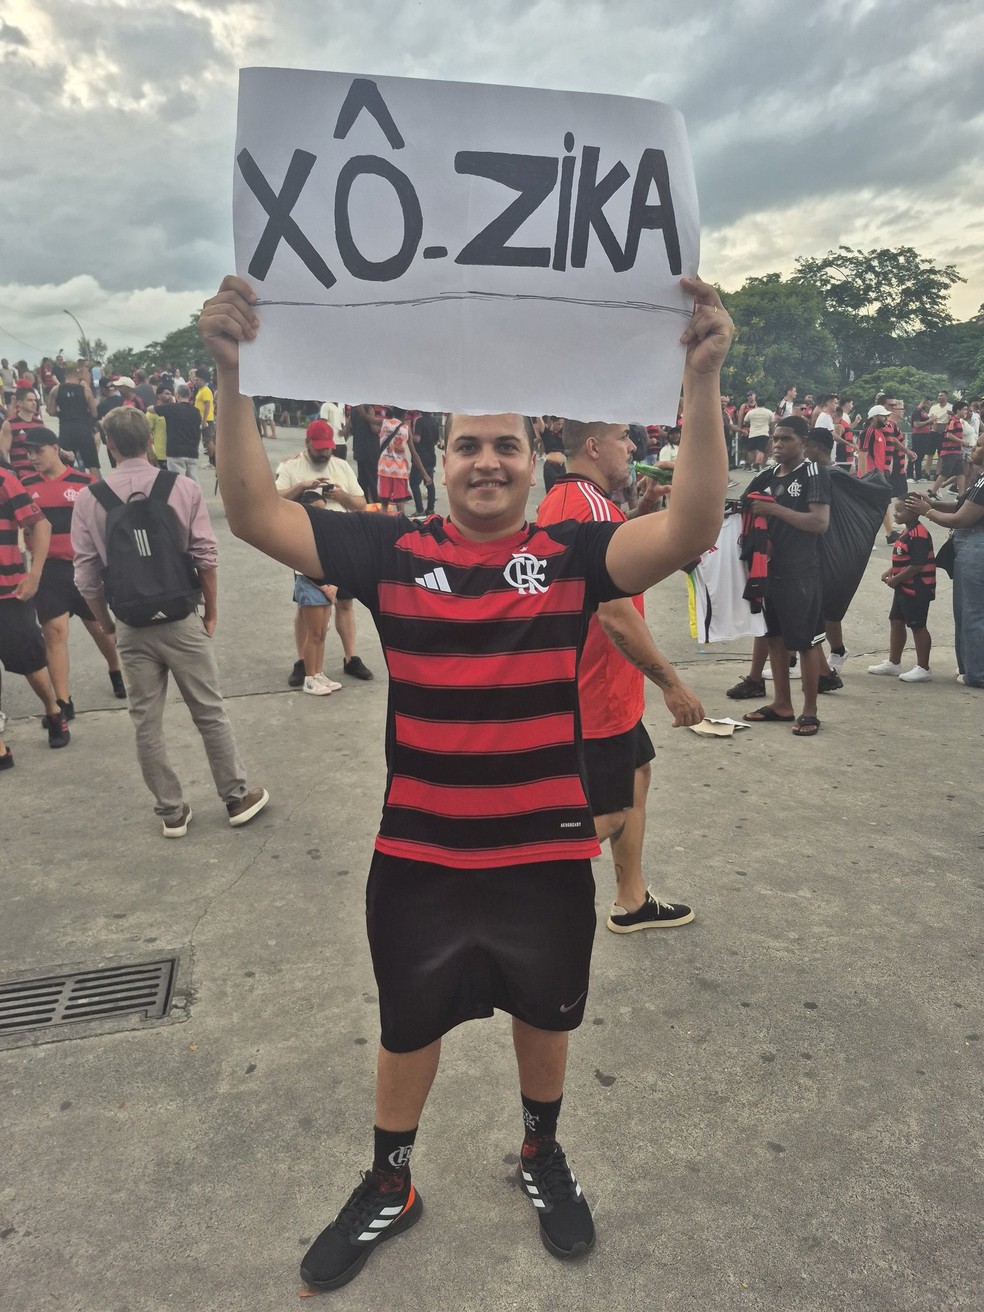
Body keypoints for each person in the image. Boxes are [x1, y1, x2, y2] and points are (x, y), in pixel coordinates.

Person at [198, 271, 733, 1291]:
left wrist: (700, 381)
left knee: (549, 1013)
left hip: (541, 852)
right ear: (439, 462)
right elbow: (253, 512)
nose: (487, 461)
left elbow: (692, 528)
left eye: (506, 445)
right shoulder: (390, 550)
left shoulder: (573, 555)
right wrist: (231, 374)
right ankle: (391, 1180)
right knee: (409, 1022)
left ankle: (542, 1151)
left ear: (534, 463)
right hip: (419, 855)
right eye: (467, 444)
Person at [71, 406, 269, 836]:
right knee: (209, 711)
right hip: (181, 618)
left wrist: (105, 622)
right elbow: (204, 555)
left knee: (146, 720)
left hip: (131, 625)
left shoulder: (90, 499)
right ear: (150, 441)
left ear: (110, 445)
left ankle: (172, 811)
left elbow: (86, 575)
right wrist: (210, 611)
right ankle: (235, 798)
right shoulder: (181, 488)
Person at [538, 418, 700, 932]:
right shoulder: (586, 504)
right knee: (604, 813)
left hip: (605, 686)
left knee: (636, 777)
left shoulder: (570, 498)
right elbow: (613, 612)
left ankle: (632, 901)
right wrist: (671, 683)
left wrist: (641, 513)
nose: (634, 447)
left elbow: (600, 553)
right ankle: (506, 883)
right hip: (599, 687)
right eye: (622, 439)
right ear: (592, 446)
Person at [20, 428, 127, 717]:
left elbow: (107, 524)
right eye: (28, 452)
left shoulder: (86, 482)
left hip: (84, 568)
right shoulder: (25, 486)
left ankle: (115, 669)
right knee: (54, 633)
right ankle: (63, 702)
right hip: (49, 571)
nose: (32, 457)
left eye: (38, 450)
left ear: (55, 448)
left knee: (101, 630)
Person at [741, 416, 830, 736]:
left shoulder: (813, 474)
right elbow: (742, 505)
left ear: (803, 442)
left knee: (804, 643)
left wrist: (774, 510)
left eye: (785, 439)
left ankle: (809, 711)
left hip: (800, 572)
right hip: (768, 571)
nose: (777, 445)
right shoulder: (765, 475)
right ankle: (782, 704)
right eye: (775, 439)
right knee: (773, 639)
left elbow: (819, 523)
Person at [275, 419, 373, 690]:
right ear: (307, 443)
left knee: (345, 603)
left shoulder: (341, 467)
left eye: (328, 448)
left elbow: (361, 504)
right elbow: (274, 499)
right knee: (307, 607)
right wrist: (303, 487)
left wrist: (341, 496)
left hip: (341, 546)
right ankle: (303, 662)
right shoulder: (290, 466)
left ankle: (350, 657)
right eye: (318, 449)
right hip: (303, 546)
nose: (324, 453)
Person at [0, 460, 70, 749]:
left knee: (30, 661)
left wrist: (35, 575)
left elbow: (40, 524)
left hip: (8, 592)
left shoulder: (4, 479)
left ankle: (53, 709)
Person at [907, 437, 984, 687]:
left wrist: (926, 512)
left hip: (976, 544)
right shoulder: (979, 478)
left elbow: (960, 519)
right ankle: (969, 668)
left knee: (973, 612)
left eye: (979, 446)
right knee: (964, 611)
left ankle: (976, 673)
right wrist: (930, 503)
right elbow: (959, 505)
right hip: (969, 545)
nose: (973, 449)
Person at [866, 499, 936, 682]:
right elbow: (904, 558)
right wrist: (891, 571)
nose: (895, 514)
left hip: (917, 588)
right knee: (896, 621)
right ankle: (894, 662)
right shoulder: (907, 531)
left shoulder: (919, 534)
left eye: (900, 511)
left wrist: (896, 578)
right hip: (903, 586)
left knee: (917, 625)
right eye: (895, 510)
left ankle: (923, 667)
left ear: (914, 512)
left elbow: (917, 565)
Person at [45, 361, 101, 475]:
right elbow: (94, 413)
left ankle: (67, 489)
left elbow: (50, 411)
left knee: (65, 465)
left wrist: (61, 413)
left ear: (65, 376)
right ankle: (98, 490)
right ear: (78, 375)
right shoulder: (86, 390)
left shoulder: (56, 389)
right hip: (84, 430)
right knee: (92, 465)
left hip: (66, 430)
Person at [159, 383, 203, 481]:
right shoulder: (196, 411)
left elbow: (151, 409)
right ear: (190, 395)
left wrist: (168, 400)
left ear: (177, 395)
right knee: (193, 482)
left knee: (177, 482)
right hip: (192, 452)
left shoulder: (171, 408)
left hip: (175, 452)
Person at [409, 410, 439, 518]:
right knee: (429, 482)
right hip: (431, 456)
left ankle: (420, 509)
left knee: (414, 483)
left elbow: (417, 439)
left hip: (420, 457)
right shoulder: (434, 421)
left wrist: (408, 435)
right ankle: (430, 508)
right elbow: (436, 440)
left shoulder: (420, 421)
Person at [350, 403, 382, 502]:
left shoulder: (354, 410)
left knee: (363, 480)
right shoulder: (369, 409)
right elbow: (374, 429)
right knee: (373, 480)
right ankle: (377, 504)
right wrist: (383, 428)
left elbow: (350, 428)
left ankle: (365, 503)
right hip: (371, 449)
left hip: (359, 449)